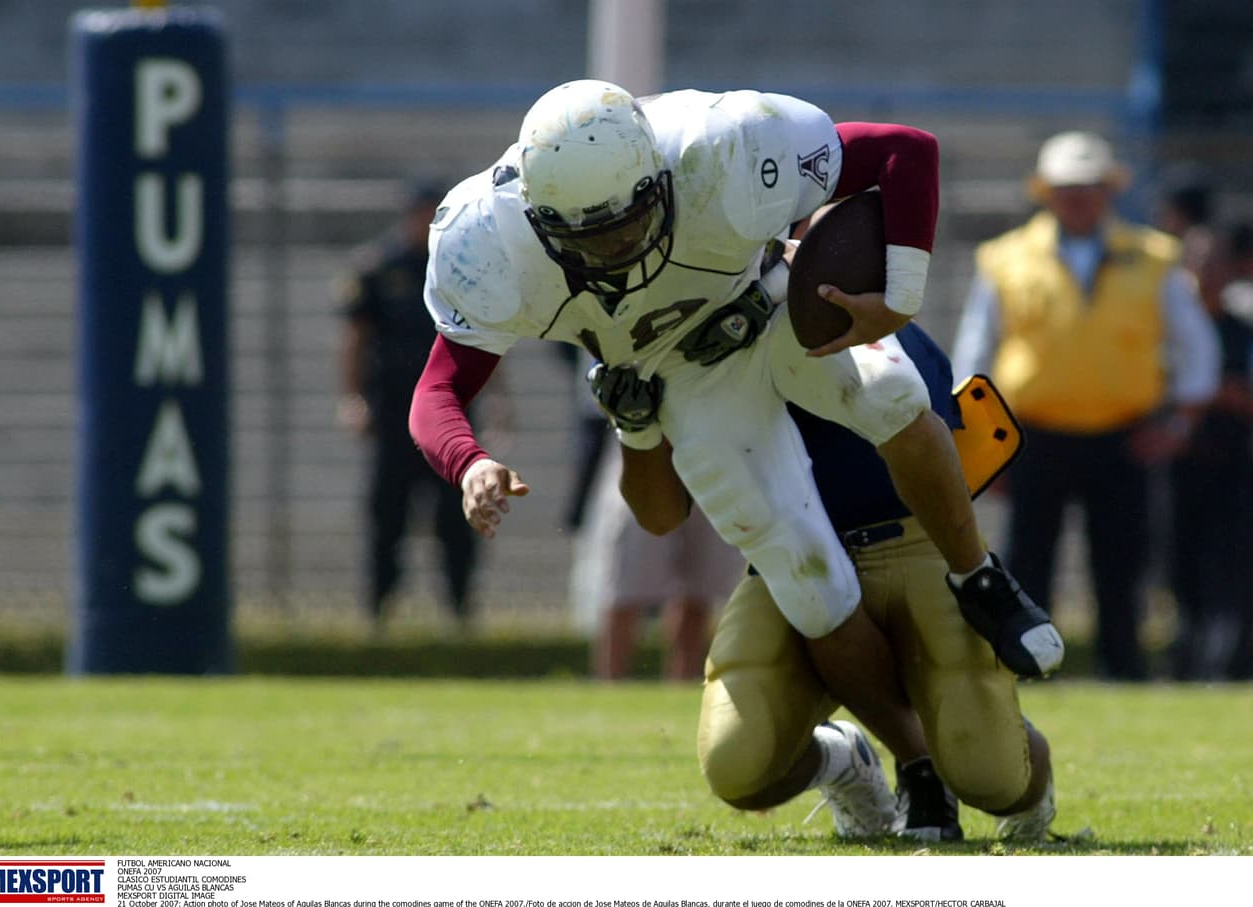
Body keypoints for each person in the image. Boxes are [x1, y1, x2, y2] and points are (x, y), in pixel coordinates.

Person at [409, 81, 1062, 751]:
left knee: (888, 389)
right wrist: (470, 461)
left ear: (657, 180)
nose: (612, 251)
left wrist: (899, 296)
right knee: (805, 580)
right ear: (538, 217)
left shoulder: (720, 146)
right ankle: (915, 764)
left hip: (771, 299)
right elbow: (437, 391)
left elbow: (904, 151)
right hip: (686, 373)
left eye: (625, 224)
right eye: (585, 236)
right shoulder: (484, 239)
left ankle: (980, 575)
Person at [602, 319, 1056, 842]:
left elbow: (926, 447)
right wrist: (634, 428)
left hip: (911, 542)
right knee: (737, 765)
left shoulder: (870, 324)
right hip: (787, 558)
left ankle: (1001, 762)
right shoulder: (688, 343)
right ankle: (845, 760)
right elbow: (659, 516)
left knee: (989, 776)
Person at [951, 131, 1220, 681]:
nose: (1077, 197)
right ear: (1046, 192)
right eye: (1066, 187)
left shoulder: (1154, 259)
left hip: (1124, 436)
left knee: (1122, 565)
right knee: (1027, 562)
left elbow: (1197, 347)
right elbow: (974, 355)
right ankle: (1024, 669)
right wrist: (982, 448)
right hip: (1033, 436)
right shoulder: (1005, 259)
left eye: (1088, 187)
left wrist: (1180, 423)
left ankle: (1123, 671)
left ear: (1108, 191)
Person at [335, 183, 481, 630]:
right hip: (394, 413)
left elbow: (483, 336)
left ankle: (459, 613)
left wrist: (496, 401)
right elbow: (355, 340)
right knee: (387, 517)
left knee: (456, 519)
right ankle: (379, 614)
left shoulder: (461, 269)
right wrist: (352, 399)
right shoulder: (378, 269)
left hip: (450, 415)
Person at [571, 420, 746, 681]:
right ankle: (609, 689)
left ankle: (681, 687)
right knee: (624, 588)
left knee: (698, 591)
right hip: (642, 447)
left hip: (713, 449)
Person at [1164, 227, 1253, 680]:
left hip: (1233, 470)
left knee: (1229, 574)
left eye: (1215, 263)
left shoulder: (1241, 330)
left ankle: (1223, 667)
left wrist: (1205, 392)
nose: (1206, 274)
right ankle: (1185, 663)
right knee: (1179, 571)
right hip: (1176, 470)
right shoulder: (1170, 330)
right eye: (1197, 264)